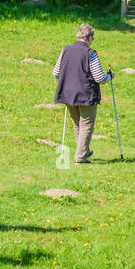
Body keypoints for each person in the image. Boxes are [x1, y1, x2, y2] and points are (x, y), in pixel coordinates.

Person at [52, 23, 113, 165]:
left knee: (77, 123)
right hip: (86, 95)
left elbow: (56, 73)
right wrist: (110, 76)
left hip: (67, 94)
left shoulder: (65, 50)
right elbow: (99, 78)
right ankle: (80, 157)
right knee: (86, 124)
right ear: (89, 37)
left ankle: (83, 150)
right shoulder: (90, 53)